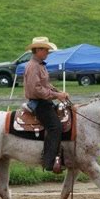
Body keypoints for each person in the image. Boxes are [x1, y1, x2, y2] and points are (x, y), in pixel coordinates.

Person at [23, 37, 69, 173]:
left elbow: (46, 85)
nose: (48, 52)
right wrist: (56, 96)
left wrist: (59, 92)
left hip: (44, 101)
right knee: (55, 127)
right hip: (39, 103)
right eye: (46, 50)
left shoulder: (39, 65)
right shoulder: (33, 66)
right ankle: (48, 161)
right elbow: (36, 89)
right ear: (38, 50)